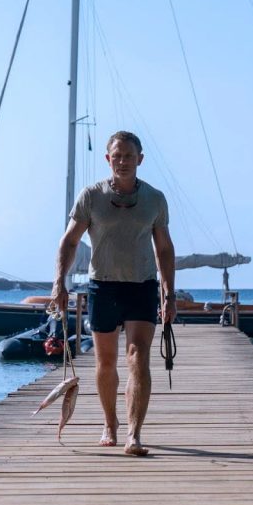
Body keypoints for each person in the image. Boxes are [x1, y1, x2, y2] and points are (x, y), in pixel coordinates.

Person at [51, 130, 176, 456]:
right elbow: (69, 241)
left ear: (140, 160)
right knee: (106, 362)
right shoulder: (91, 196)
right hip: (103, 286)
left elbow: (163, 248)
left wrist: (169, 293)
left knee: (138, 357)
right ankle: (110, 424)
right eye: (116, 156)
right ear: (108, 159)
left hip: (142, 286)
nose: (122, 161)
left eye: (128, 156)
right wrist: (58, 284)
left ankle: (134, 434)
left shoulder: (154, 199)